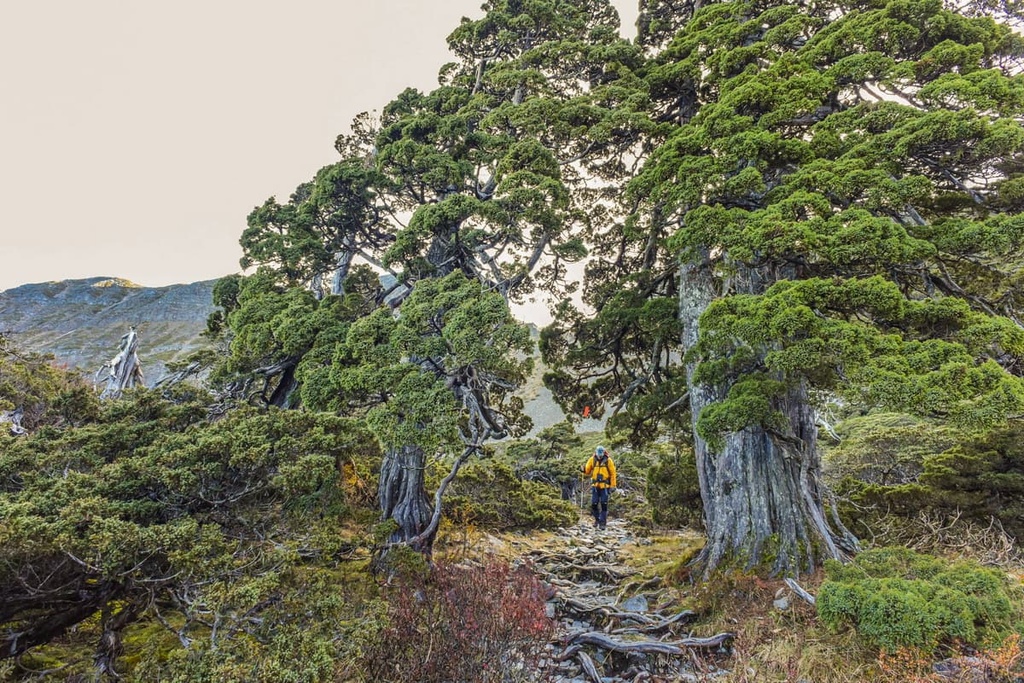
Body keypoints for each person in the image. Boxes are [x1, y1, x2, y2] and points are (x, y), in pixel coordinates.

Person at [581, 445, 617, 529]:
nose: (599, 456)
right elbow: (587, 471)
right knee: (594, 504)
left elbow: (613, 474)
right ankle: (597, 519)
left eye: (601, 454)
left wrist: (613, 485)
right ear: (596, 453)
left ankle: (602, 523)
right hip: (595, 486)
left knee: (604, 504)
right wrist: (583, 470)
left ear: (604, 452)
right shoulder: (592, 459)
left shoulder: (608, 461)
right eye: (598, 454)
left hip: (605, 486)